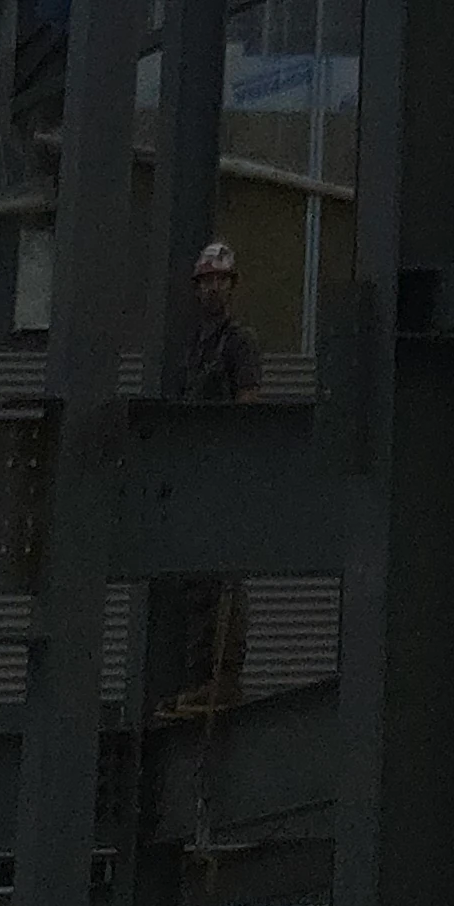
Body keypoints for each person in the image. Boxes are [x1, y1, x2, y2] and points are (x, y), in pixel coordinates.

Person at [179, 233, 258, 716]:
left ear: (233, 286)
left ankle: (224, 679)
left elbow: (248, 404)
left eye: (221, 281)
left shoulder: (238, 343)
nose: (213, 289)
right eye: (206, 282)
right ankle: (200, 680)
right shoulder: (195, 347)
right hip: (197, 478)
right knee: (198, 579)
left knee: (225, 577)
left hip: (224, 475)